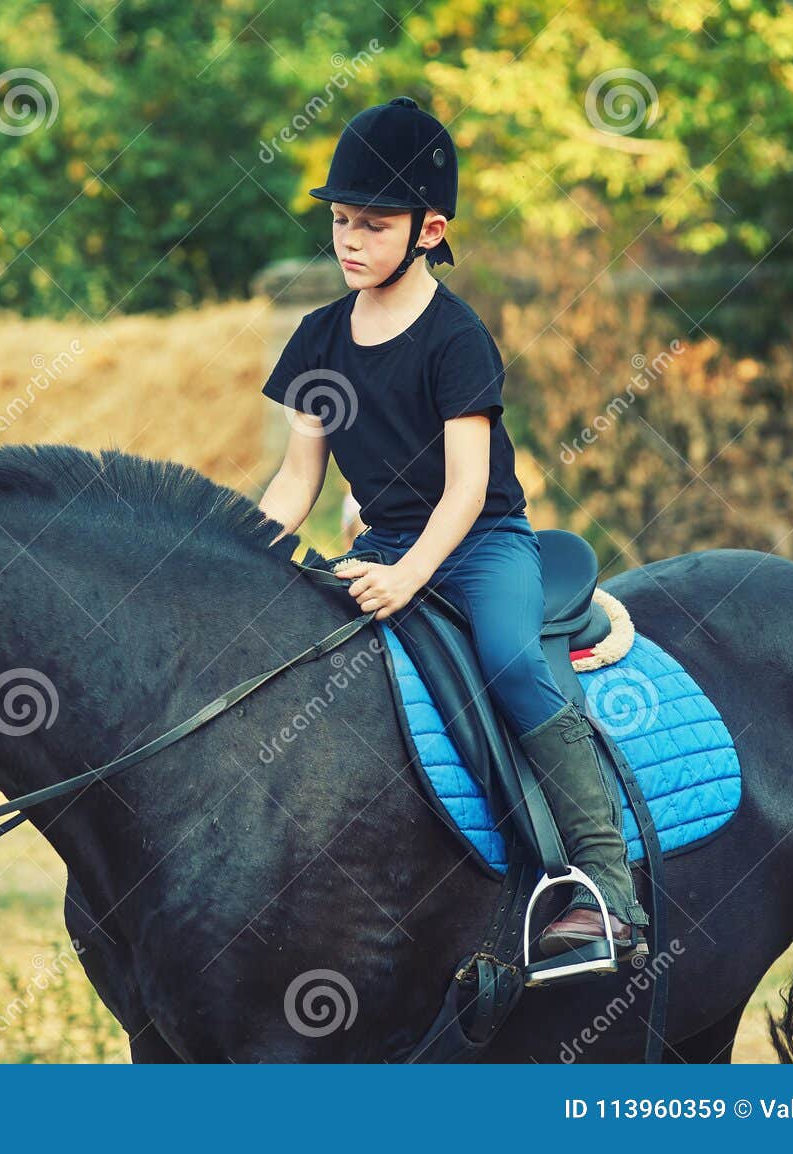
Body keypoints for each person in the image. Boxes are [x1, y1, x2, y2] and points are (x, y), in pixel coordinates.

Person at [256, 95, 648, 958]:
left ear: (430, 229)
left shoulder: (456, 337)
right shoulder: (319, 337)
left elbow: (468, 489)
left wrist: (407, 577)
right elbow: (297, 478)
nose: (350, 240)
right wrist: (240, 554)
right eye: (341, 221)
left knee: (511, 662)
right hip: (384, 544)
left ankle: (604, 886)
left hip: (477, 548)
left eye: (373, 224)